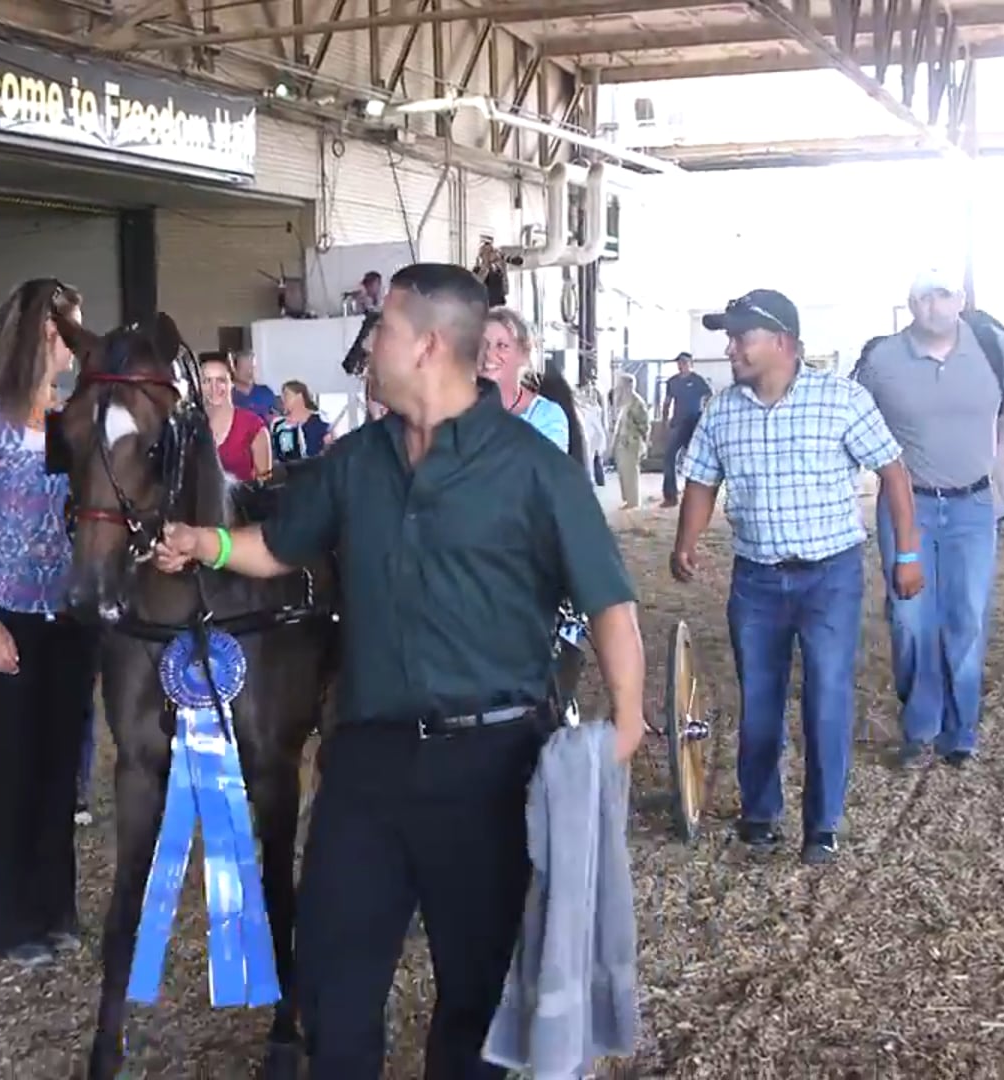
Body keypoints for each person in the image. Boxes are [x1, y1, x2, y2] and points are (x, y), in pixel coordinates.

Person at [150, 262, 647, 1078]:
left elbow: (609, 604)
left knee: (474, 1004)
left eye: (378, 328)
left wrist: (625, 724)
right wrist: (209, 544)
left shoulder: (533, 468)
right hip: (367, 762)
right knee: (334, 986)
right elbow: (280, 545)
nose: (367, 345)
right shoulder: (356, 461)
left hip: (491, 768)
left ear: (423, 345)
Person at [672, 290, 922, 864]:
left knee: (827, 698)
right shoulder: (722, 411)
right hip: (756, 578)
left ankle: (822, 824)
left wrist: (906, 556)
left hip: (829, 577)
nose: (730, 347)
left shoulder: (840, 400)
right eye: (730, 337)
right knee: (759, 698)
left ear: (783, 342)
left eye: (741, 337)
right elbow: (702, 482)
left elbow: (894, 471)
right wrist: (686, 541)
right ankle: (760, 813)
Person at [0, 278, 100, 968]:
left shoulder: (67, 419)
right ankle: (12, 920)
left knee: (61, 767)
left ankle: (56, 907)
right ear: (46, 332)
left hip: (67, 614)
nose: (80, 341)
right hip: (7, 613)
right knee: (16, 767)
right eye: (74, 327)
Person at [856, 269, 1004, 769]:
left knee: (966, 617)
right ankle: (921, 722)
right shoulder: (881, 359)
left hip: (974, 507)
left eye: (943, 295)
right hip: (908, 508)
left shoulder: (991, 346)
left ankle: (960, 727)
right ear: (909, 304)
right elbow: (847, 422)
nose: (933, 306)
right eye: (922, 297)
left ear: (961, 299)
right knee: (909, 619)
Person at [480, 307, 569, 453]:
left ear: (523, 354)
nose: (489, 354)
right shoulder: (457, 410)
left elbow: (545, 472)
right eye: (482, 345)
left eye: (502, 346)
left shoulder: (546, 416)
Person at [202, 354, 273, 483]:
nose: (214, 387)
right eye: (207, 381)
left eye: (221, 380)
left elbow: (266, 486)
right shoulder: (190, 425)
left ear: (232, 384)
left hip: (244, 502)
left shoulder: (253, 425)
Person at [659, 352, 711, 509]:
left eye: (684, 362)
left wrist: (705, 414)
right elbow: (667, 403)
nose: (681, 365)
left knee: (696, 460)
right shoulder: (672, 382)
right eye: (679, 363)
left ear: (690, 363)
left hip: (695, 423)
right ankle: (670, 496)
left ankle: (695, 496)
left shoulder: (698, 381)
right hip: (678, 423)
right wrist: (664, 422)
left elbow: (710, 395)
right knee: (669, 458)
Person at [607, 372, 651, 509]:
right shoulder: (625, 402)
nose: (619, 388)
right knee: (623, 472)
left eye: (621, 385)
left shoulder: (637, 403)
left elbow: (645, 425)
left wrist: (644, 442)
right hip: (622, 442)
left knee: (631, 473)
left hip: (632, 443)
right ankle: (628, 499)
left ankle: (633, 502)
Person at [270, 380, 331, 463]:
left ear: (299, 397)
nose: (283, 399)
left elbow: (330, 446)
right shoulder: (278, 424)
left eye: (286, 395)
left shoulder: (319, 419)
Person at [229, 348, 280, 420]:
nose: (249, 372)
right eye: (244, 369)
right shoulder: (227, 396)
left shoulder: (266, 392)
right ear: (234, 369)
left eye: (252, 368)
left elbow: (277, 419)